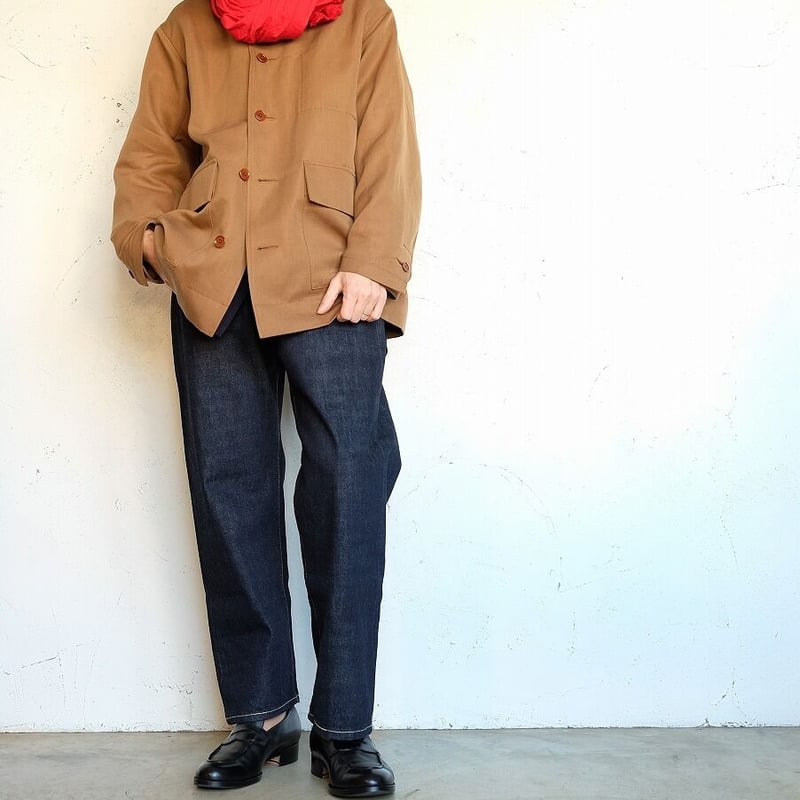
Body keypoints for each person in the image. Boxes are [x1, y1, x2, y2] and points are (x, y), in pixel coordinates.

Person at [111, 0, 421, 794]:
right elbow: (152, 149)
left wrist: (374, 261)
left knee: (349, 486)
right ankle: (262, 715)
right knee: (228, 489)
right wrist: (148, 238)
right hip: (214, 279)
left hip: (333, 279)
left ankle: (345, 730)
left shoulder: (362, 18)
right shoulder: (187, 26)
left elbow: (389, 145)